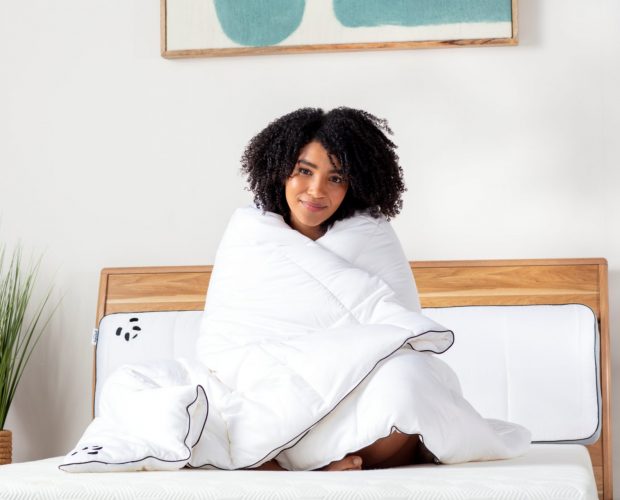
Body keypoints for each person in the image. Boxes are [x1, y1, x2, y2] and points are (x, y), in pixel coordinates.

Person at [239, 107, 430, 471]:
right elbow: (232, 341)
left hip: (356, 393)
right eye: (304, 171)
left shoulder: (371, 236)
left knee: (409, 379)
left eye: (336, 178)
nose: (316, 190)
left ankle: (306, 466)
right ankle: (308, 466)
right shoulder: (251, 235)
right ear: (280, 170)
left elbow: (401, 331)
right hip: (277, 389)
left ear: (354, 185)